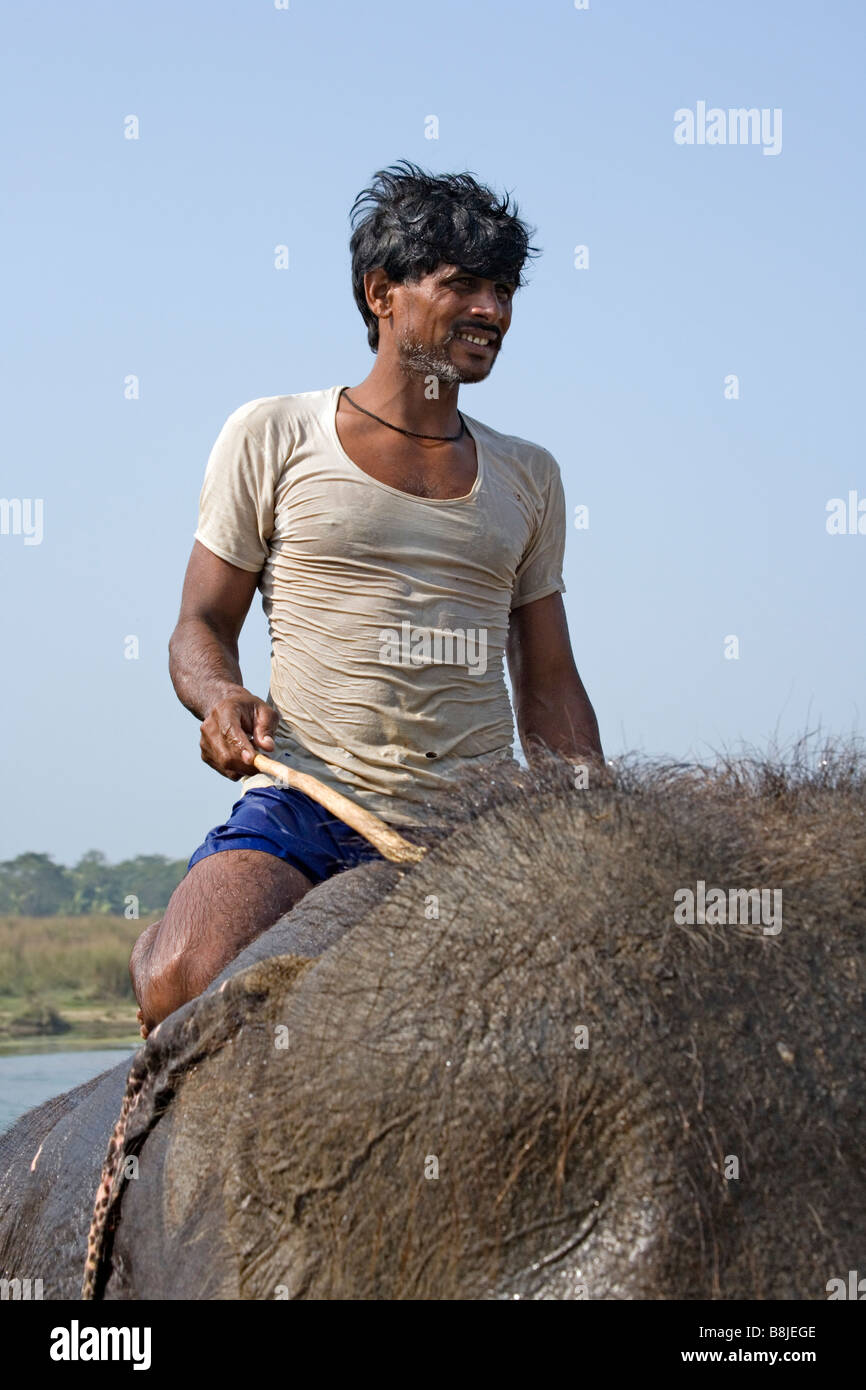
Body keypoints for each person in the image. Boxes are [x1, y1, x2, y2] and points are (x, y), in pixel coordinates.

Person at [130, 160, 603, 1035]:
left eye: (504, 290)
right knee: (178, 977)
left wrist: (595, 815)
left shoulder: (529, 474)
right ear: (380, 291)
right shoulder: (272, 433)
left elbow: (549, 681)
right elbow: (199, 625)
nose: (493, 311)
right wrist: (220, 696)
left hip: (480, 822)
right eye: (462, 284)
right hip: (313, 797)